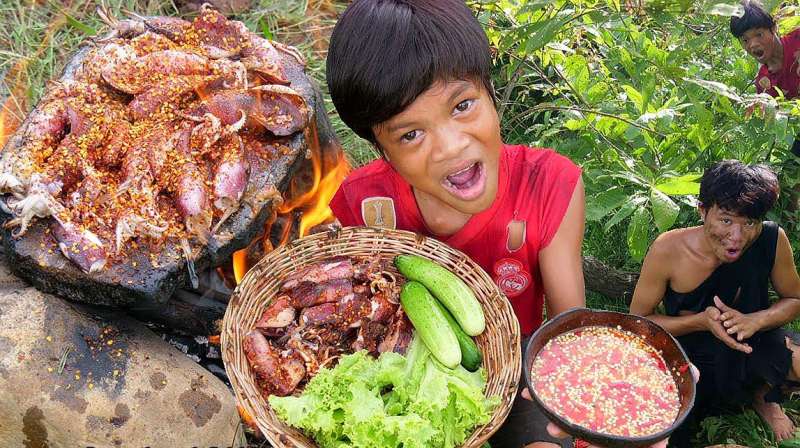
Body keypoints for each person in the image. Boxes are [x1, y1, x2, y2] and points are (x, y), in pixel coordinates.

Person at [325, 1, 672, 447]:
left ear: (490, 92)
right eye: (411, 133)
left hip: (522, 356)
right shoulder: (365, 202)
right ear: (380, 147)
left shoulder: (549, 184)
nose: (450, 146)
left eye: (462, 105)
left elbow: (569, 331)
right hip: (406, 357)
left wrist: (619, 398)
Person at [630, 160, 800, 446]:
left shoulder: (772, 238)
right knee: (665, 430)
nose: (737, 236)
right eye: (726, 220)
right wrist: (700, 321)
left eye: (749, 223)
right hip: (691, 354)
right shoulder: (668, 249)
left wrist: (756, 320)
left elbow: (795, 298)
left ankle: (763, 395)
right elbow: (638, 322)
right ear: (703, 210)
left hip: (753, 341)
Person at [730, 0, 800, 156]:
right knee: (791, 170)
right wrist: (769, 107)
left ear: (773, 29)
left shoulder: (797, 38)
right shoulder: (764, 83)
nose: (753, 44)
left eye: (759, 34)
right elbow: (784, 122)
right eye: (745, 40)